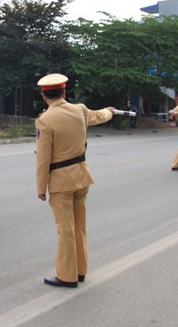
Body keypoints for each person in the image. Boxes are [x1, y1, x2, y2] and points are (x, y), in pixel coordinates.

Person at [35, 73, 114, 288]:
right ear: (64, 92)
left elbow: (43, 159)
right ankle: (80, 270)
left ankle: (67, 276)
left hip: (61, 182)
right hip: (82, 176)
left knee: (65, 230)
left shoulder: (45, 120)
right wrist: (110, 111)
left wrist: (41, 188)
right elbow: (100, 116)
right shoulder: (79, 110)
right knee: (79, 227)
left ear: (44, 96)